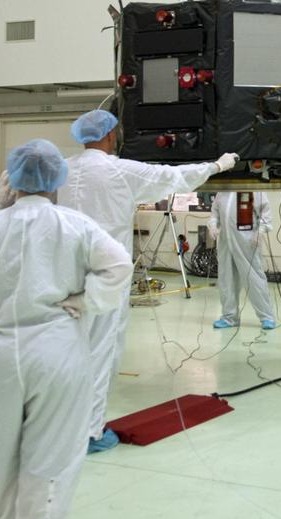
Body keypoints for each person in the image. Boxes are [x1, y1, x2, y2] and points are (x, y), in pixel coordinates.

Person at [0, 139, 132, 519]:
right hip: (55, 348)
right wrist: (87, 298)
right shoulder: (74, 225)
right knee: (51, 449)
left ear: (12, 179)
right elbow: (118, 265)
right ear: (58, 178)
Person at [57, 109, 237, 453]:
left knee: (69, 350)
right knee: (101, 351)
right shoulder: (118, 169)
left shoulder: (63, 169)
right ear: (111, 135)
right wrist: (217, 166)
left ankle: (62, 423)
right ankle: (90, 433)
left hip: (66, 274)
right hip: (104, 276)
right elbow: (173, 177)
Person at [210, 191, 279, 330]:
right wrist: (212, 225)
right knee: (226, 279)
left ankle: (267, 317)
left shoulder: (253, 189)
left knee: (254, 279)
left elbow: (265, 212)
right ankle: (229, 317)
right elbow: (214, 213)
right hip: (225, 242)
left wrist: (260, 231)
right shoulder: (222, 192)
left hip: (247, 241)